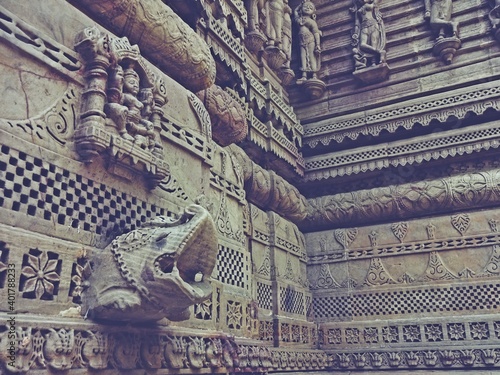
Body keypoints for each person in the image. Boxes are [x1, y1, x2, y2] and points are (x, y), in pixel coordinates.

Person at [294, 1, 322, 82]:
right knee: (303, 57)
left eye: (310, 7)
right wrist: (300, 4)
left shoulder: (311, 21)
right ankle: (304, 75)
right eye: (306, 6)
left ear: (313, 11)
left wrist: (318, 44)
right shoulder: (299, 19)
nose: (308, 8)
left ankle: (314, 75)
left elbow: (316, 33)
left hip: (310, 39)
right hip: (301, 40)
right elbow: (295, 11)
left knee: (311, 56)